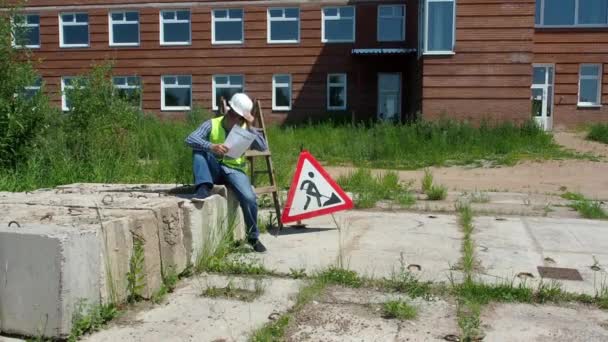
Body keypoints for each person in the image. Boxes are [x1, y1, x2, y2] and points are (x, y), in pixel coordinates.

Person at [185, 93, 268, 253]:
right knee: (198, 150)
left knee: (249, 198)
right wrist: (211, 146)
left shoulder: (246, 128)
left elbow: (262, 146)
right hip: (214, 168)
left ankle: (253, 237)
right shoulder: (212, 124)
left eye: (240, 119)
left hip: (235, 171)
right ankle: (203, 187)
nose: (236, 120)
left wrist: (251, 127)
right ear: (230, 112)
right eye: (234, 115)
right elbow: (189, 139)